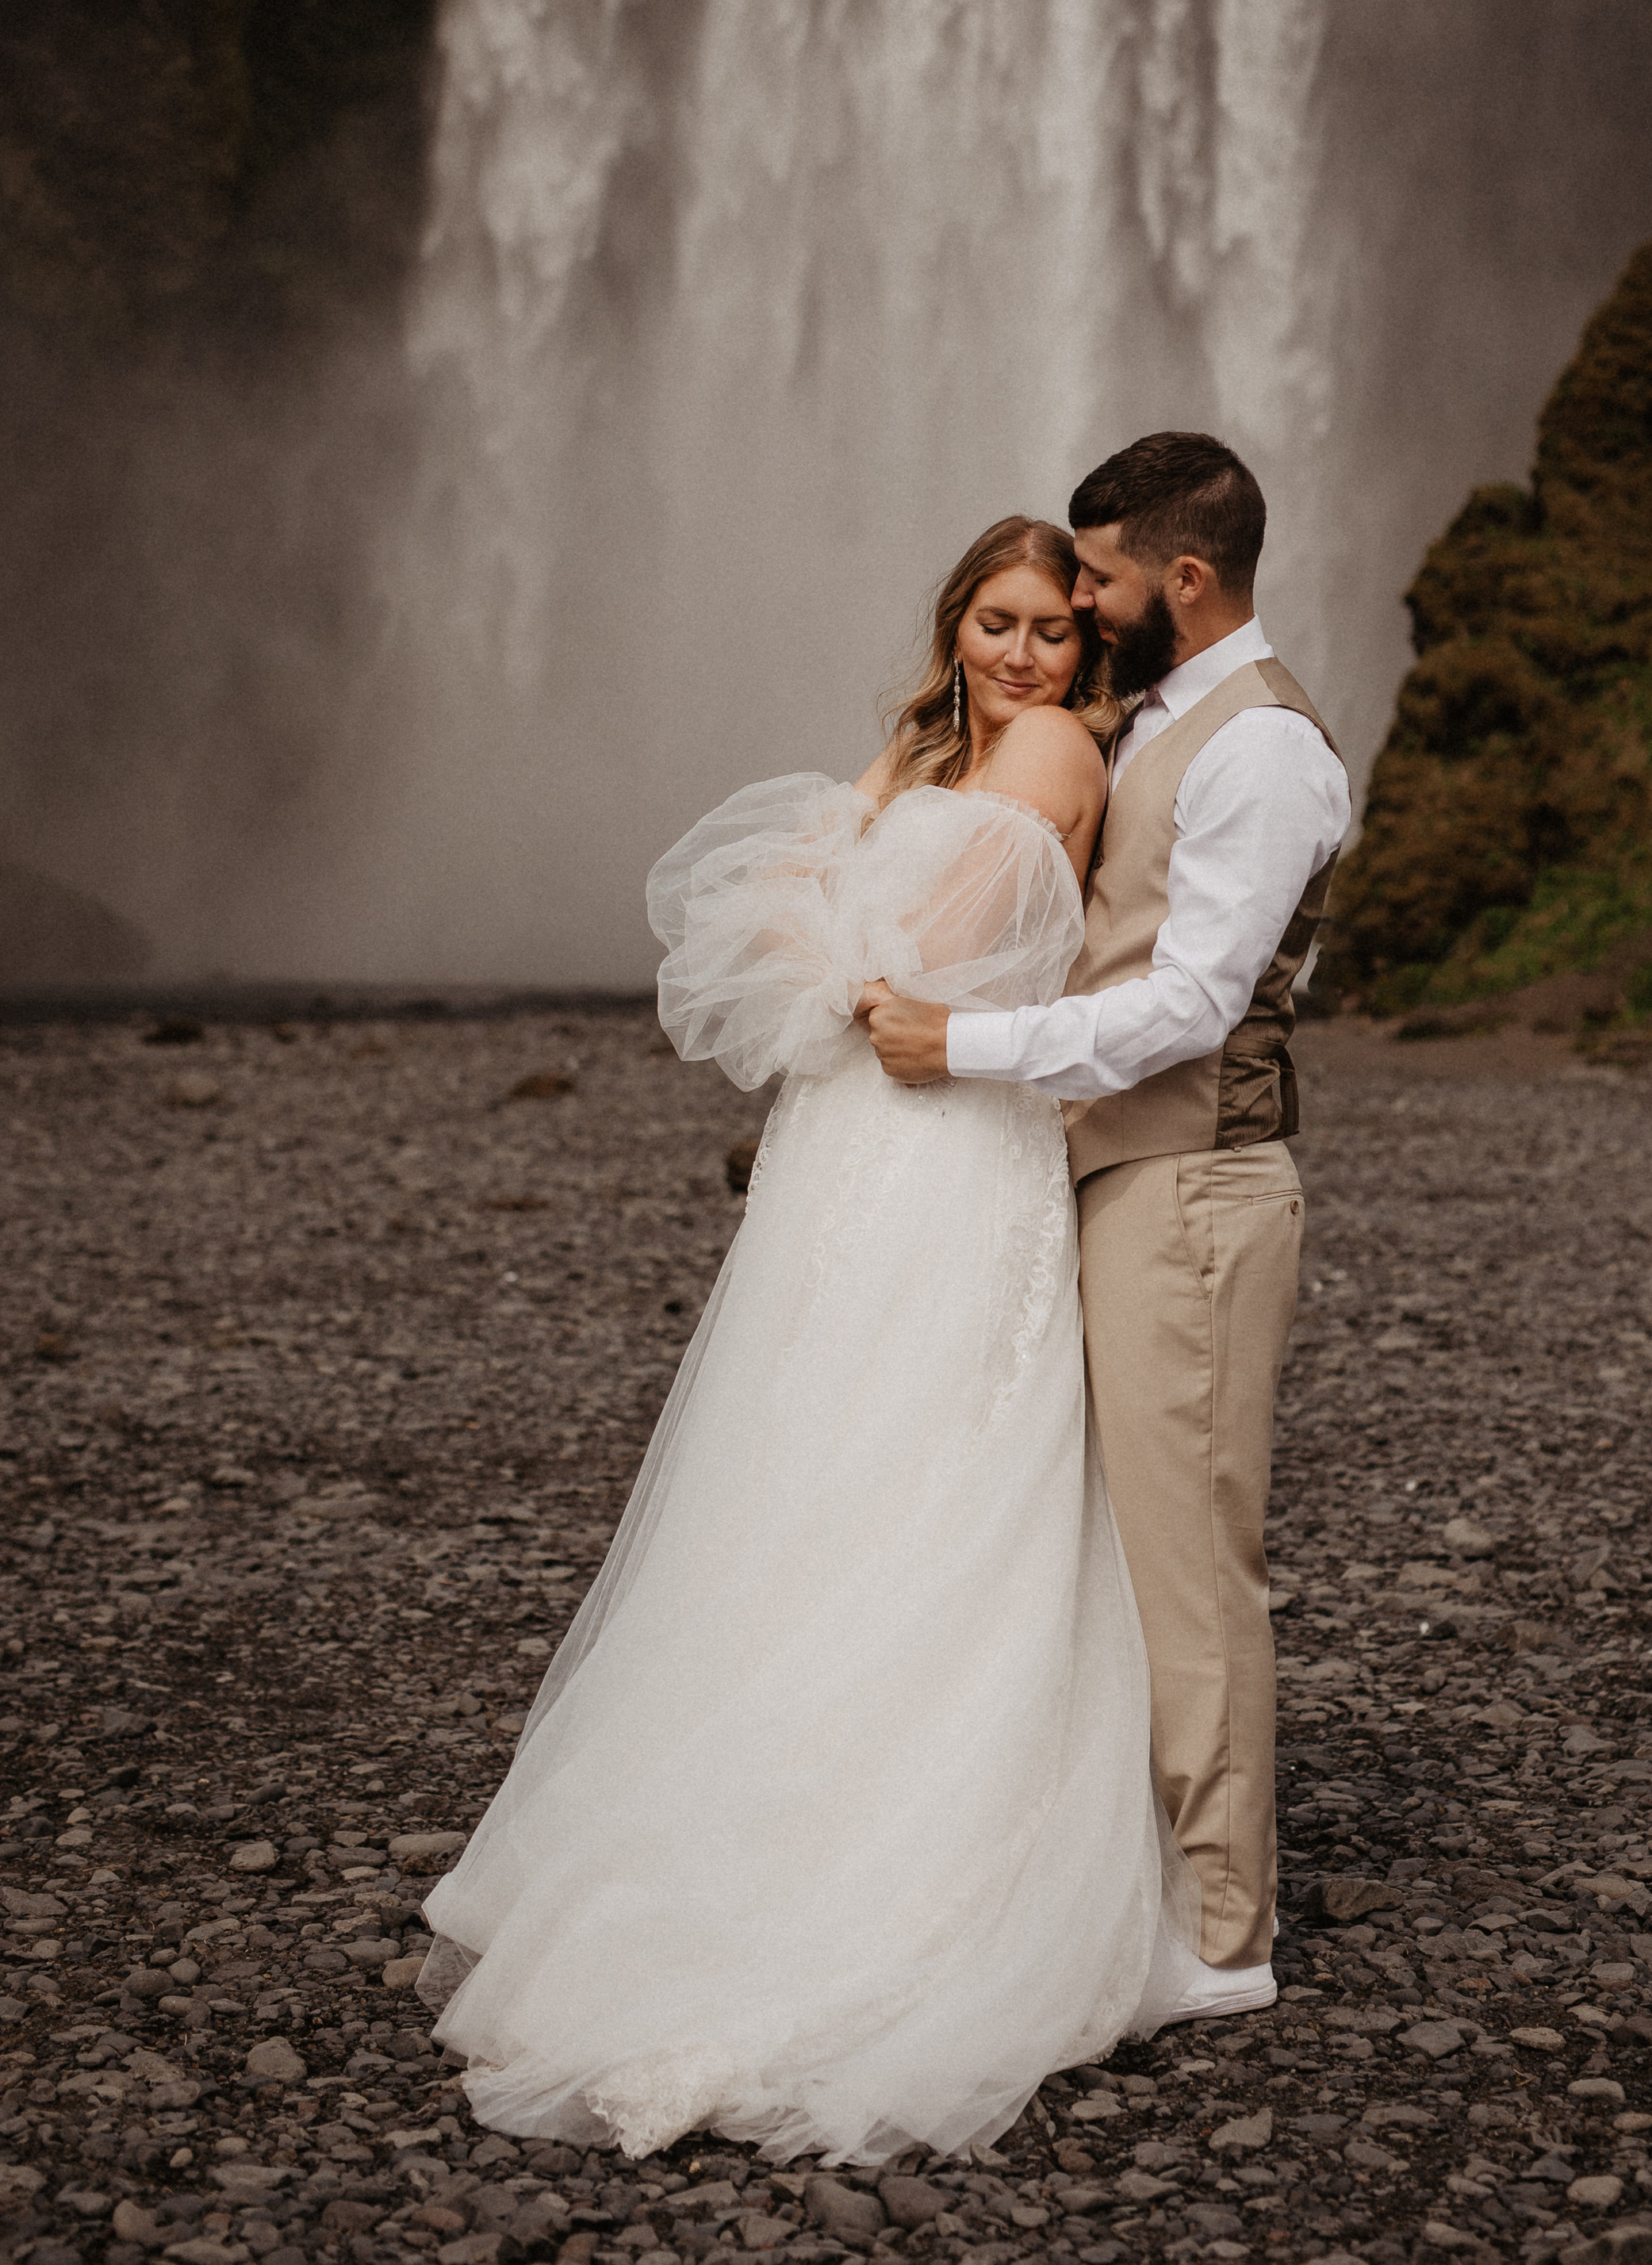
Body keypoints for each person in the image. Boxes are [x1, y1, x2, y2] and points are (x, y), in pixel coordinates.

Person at [418, 516, 1201, 2167]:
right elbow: (800, 921)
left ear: (1086, 655)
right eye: (993, 623)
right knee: (807, 1471)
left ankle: (873, 1871)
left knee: (907, 1467)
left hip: (941, 1156)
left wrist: (843, 954)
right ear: (952, 623)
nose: (1019, 656)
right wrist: (843, 951)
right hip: (853, 1158)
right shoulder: (926, 752)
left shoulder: (1053, 752)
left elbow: (903, 966)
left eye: (1049, 633)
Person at [863, 434, 1351, 2017]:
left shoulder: (1260, 747)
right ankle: (1134, 1872)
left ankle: (1222, 1937)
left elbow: (1194, 1004)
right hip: (1122, 1183)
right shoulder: (1151, 725)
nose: (1074, 602)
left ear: (1182, 581)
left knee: (1192, 1569)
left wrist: (965, 1049)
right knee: (1123, 1550)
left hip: (1195, 1189)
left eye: (1097, 579)